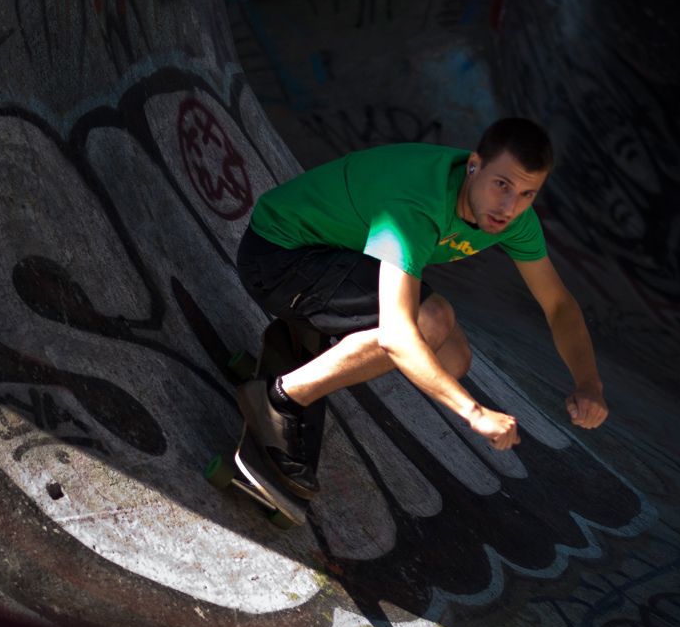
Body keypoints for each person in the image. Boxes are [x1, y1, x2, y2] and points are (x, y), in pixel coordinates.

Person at [232, 118, 608, 499]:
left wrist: (588, 383)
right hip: (278, 258)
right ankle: (278, 399)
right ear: (474, 164)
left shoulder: (515, 218)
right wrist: (474, 413)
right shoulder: (416, 201)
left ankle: (314, 329)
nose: (509, 208)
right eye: (502, 185)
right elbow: (398, 336)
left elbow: (558, 304)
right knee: (429, 321)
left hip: (337, 253)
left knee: (451, 359)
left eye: (528, 194)